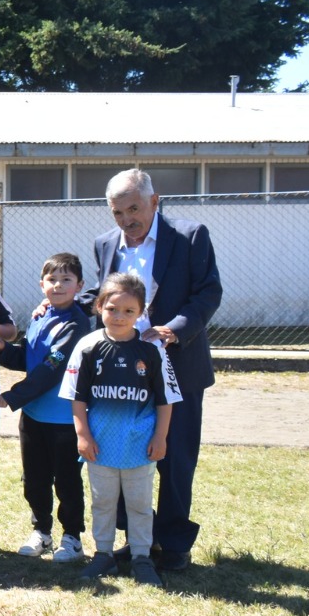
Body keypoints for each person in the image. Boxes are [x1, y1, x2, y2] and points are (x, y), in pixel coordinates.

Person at [85, 168, 221, 572]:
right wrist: (58, 304)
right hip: (120, 373)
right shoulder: (104, 244)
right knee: (125, 454)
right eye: (118, 212)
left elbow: (208, 292)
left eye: (134, 208)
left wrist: (173, 332)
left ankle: (174, 542)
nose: (127, 219)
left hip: (178, 366)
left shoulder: (190, 235)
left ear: (154, 201)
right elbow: (99, 297)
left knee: (176, 457)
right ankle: (136, 540)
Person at [60, 273, 179, 588]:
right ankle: (103, 554)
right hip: (100, 444)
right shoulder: (88, 346)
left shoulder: (151, 350)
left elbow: (166, 400)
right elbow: (77, 396)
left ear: (141, 313)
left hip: (140, 444)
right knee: (102, 501)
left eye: (129, 311)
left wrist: (160, 436)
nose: (119, 317)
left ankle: (141, 556)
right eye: (112, 309)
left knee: (140, 504)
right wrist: (83, 435)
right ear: (99, 307)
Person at [0, 252, 91, 563]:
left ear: (80, 285)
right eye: (52, 279)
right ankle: (42, 532)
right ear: (41, 284)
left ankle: (72, 537)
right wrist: (1, 349)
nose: (59, 285)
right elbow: (28, 357)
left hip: (64, 419)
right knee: (34, 478)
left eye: (66, 279)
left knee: (66, 480)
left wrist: (12, 396)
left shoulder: (77, 323)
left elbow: (53, 368)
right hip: (33, 416)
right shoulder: (40, 316)